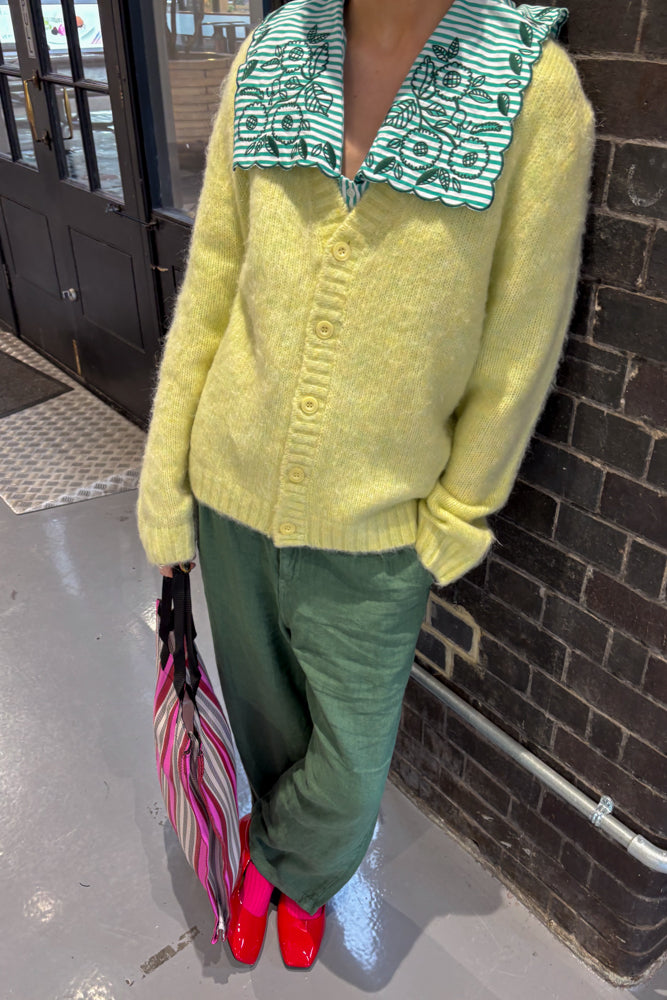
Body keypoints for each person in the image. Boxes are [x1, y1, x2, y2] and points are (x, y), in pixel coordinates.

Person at [137, 0, 594, 970]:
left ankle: (281, 865)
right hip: (230, 491)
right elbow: (212, 280)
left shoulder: (530, 92)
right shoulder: (269, 56)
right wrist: (166, 483)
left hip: (381, 524)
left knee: (348, 762)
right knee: (266, 725)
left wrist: (457, 514)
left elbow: (520, 343)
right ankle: (288, 872)